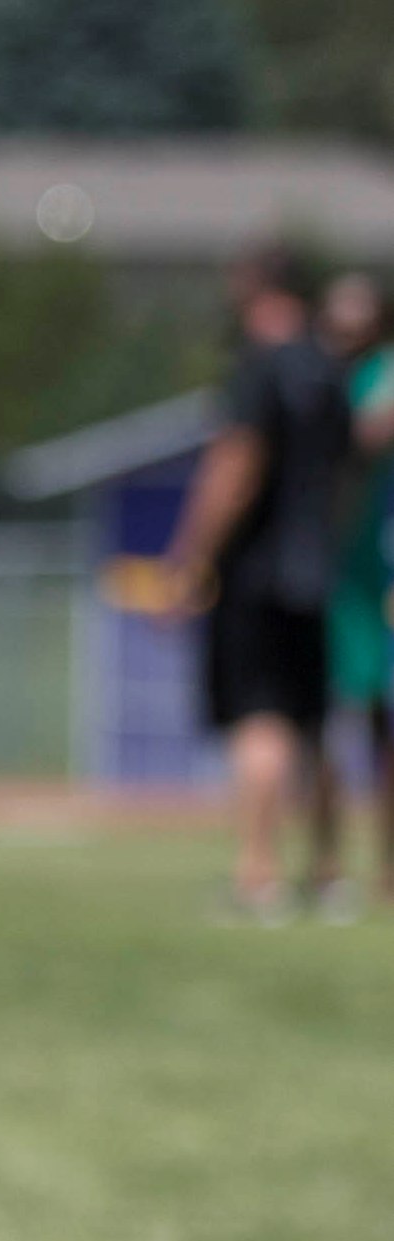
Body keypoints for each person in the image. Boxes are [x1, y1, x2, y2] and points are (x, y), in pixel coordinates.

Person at [161, 246, 352, 923]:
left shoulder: (258, 366)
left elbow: (235, 467)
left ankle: (259, 875)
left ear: (253, 291)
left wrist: (190, 559)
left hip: (257, 572)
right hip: (317, 569)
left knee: (260, 719)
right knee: (314, 723)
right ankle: (329, 874)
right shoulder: (328, 370)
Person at [315, 270, 394, 917]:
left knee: (382, 728)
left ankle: (387, 873)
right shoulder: (312, 375)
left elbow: (367, 436)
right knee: (329, 724)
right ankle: (327, 864)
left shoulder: (383, 375)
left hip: (380, 578)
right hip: (330, 579)